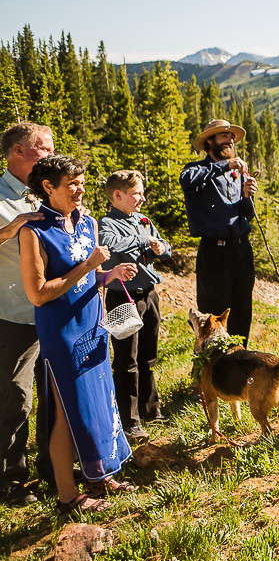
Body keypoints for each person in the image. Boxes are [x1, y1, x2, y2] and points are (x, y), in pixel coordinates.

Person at [20, 155, 139, 514]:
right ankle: (68, 496)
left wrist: (108, 274)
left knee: (99, 400)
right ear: (48, 187)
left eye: (81, 181)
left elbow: (93, 277)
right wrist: (87, 266)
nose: (80, 189)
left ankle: (100, 473)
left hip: (93, 322)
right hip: (61, 331)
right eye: (72, 183)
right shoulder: (34, 231)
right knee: (65, 410)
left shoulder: (87, 223)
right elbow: (38, 293)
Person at [0, 123, 53, 505]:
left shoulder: (44, 192)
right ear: (19, 152)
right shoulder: (1, 196)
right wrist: (11, 228)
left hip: (52, 311)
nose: (50, 156)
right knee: (16, 397)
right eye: (44, 150)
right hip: (12, 313)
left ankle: (52, 468)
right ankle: (10, 480)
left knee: (54, 394)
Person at [99, 170, 173, 441]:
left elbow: (167, 248)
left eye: (142, 193)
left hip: (149, 296)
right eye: (136, 194)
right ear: (118, 195)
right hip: (123, 297)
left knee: (148, 357)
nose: (142, 198)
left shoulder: (144, 220)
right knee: (126, 360)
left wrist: (160, 248)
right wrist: (143, 239)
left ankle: (151, 410)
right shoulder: (106, 222)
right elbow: (110, 244)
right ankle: (130, 421)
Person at [180, 119, 258, 344]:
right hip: (214, 252)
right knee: (213, 312)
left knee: (243, 307)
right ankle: (213, 364)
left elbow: (248, 215)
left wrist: (247, 196)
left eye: (231, 137)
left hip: (242, 250)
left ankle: (240, 358)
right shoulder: (196, 169)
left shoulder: (238, 173)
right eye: (224, 136)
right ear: (209, 141)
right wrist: (227, 165)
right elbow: (187, 182)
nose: (230, 140)